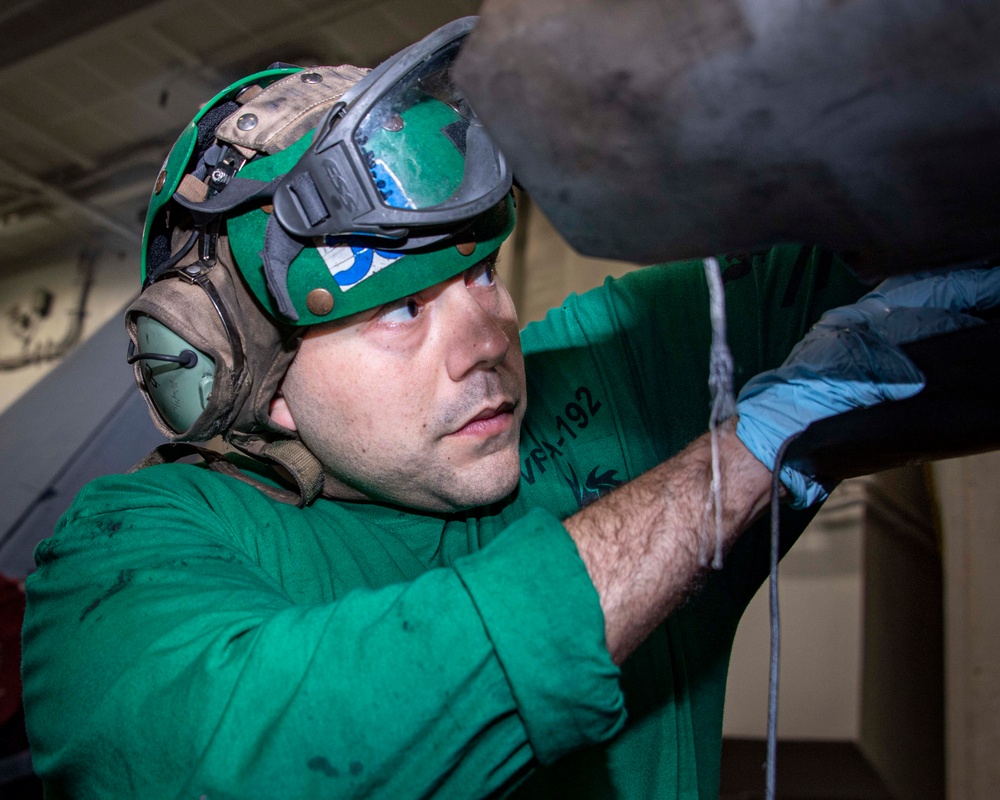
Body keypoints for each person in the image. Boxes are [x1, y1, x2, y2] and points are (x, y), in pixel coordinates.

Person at [20, 17, 1000, 800]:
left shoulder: (604, 377)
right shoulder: (124, 555)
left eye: (482, 269)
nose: (488, 333)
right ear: (240, 371)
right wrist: (734, 460)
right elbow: (252, 758)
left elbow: (890, 256)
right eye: (402, 307)